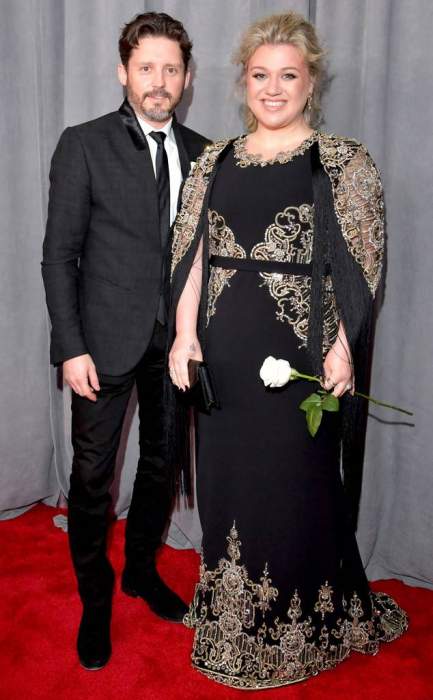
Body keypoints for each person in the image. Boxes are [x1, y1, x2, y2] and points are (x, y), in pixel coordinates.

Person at [168, 12, 408, 690]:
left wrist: (343, 350)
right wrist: (184, 336)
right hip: (222, 358)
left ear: (311, 83)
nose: (272, 89)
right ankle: (232, 618)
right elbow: (191, 259)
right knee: (228, 486)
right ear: (242, 81)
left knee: (294, 487)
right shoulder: (213, 161)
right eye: (260, 75)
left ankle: (300, 626)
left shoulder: (342, 162)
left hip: (298, 362)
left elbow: (359, 269)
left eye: (288, 76)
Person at [42, 12, 208, 671]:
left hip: (176, 345)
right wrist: (70, 347)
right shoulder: (82, 144)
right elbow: (59, 257)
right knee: (92, 478)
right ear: (123, 73)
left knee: (163, 464)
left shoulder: (205, 153)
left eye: (171, 69)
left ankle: (140, 570)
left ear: (186, 78)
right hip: (101, 343)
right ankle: (95, 598)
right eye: (146, 68)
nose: (158, 81)